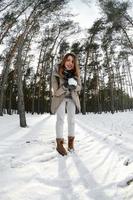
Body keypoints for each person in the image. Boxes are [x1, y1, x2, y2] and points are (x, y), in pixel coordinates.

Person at [51, 52, 81, 156]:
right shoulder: (56, 72)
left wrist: (75, 86)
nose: (70, 63)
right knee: (60, 119)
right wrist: (66, 86)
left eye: (72, 61)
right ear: (64, 60)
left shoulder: (75, 73)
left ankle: (71, 143)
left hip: (72, 98)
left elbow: (80, 87)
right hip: (60, 98)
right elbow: (56, 91)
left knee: (71, 120)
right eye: (68, 60)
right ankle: (59, 144)